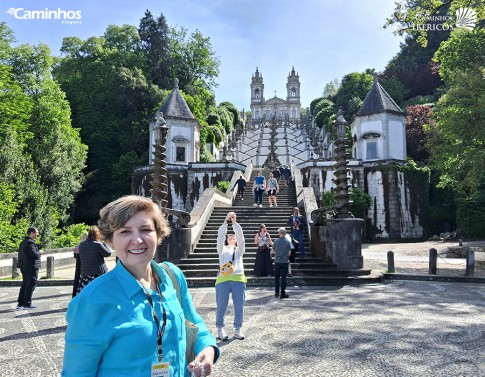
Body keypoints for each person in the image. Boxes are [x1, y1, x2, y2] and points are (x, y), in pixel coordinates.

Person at [62, 195, 219, 377]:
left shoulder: (172, 276)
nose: (137, 240)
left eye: (145, 229)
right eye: (125, 232)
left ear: (158, 234)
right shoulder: (92, 300)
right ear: (111, 240)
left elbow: (195, 322)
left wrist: (208, 348)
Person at [216, 211, 246, 341]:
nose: (233, 237)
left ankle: (238, 329)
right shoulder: (222, 249)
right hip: (223, 279)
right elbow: (220, 237)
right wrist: (225, 221)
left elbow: (241, 238)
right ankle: (220, 328)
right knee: (221, 305)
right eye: (230, 236)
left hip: (238, 278)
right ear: (227, 239)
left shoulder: (239, 250)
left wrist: (234, 223)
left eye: (234, 237)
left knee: (239, 305)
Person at [75, 226, 112, 295]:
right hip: (98, 273)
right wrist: (104, 243)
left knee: (86, 293)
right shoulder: (98, 245)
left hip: (85, 273)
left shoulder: (82, 245)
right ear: (97, 234)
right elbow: (108, 253)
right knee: (100, 293)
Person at [16, 227, 41, 309]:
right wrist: (39, 253)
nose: (38, 234)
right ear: (32, 232)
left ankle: (20, 303)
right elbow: (33, 254)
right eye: (37, 233)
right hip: (31, 267)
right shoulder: (30, 243)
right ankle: (27, 304)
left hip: (24, 266)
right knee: (30, 285)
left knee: (25, 284)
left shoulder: (23, 242)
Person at [273, 228, 291, 299]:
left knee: (276, 277)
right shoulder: (288, 242)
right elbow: (289, 253)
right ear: (285, 234)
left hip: (277, 261)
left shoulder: (276, 241)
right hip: (285, 262)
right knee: (283, 278)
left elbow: (272, 250)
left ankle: (277, 292)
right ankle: (283, 293)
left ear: (279, 233)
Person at [72, 231, 88, 298]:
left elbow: (75, 255)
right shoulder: (86, 246)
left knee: (77, 279)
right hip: (84, 265)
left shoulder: (79, 245)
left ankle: (75, 294)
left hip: (78, 265)